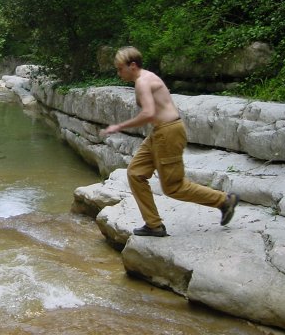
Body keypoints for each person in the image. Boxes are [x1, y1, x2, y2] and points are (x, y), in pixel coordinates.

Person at [99, 46, 239, 237]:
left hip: (168, 132)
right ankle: (153, 225)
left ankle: (224, 200)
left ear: (132, 65)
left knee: (174, 187)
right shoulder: (146, 78)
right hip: (159, 132)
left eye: (120, 68)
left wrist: (118, 126)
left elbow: (148, 113)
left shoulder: (142, 82)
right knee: (135, 173)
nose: (118, 73)